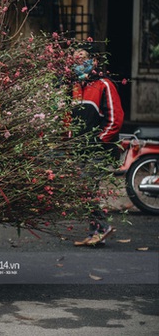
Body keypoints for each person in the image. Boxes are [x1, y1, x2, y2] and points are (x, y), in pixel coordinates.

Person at [70, 48, 124, 247]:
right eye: (75, 58)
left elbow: (115, 119)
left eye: (82, 57)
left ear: (93, 61)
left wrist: (100, 140)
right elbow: (72, 119)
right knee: (84, 189)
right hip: (81, 148)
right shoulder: (75, 86)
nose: (79, 61)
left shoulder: (104, 85)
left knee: (86, 185)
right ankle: (95, 232)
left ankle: (102, 226)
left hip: (100, 148)